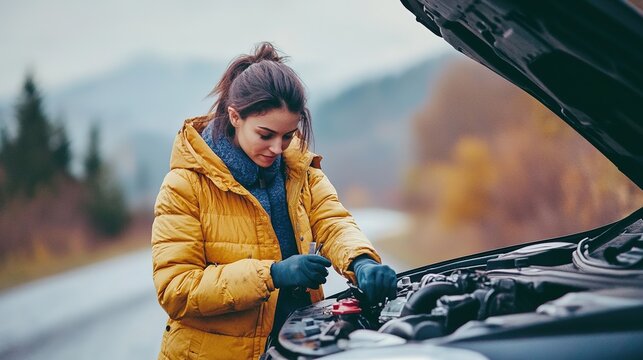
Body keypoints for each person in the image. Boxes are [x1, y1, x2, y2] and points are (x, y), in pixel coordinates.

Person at [151, 42, 397, 360]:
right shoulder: (185, 186)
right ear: (235, 116)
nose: (278, 149)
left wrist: (361, 261)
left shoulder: (299, 171)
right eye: (265, 135)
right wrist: (273, 275)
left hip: (296, 347)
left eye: (288, 136)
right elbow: (176, 289)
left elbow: (333, 222)